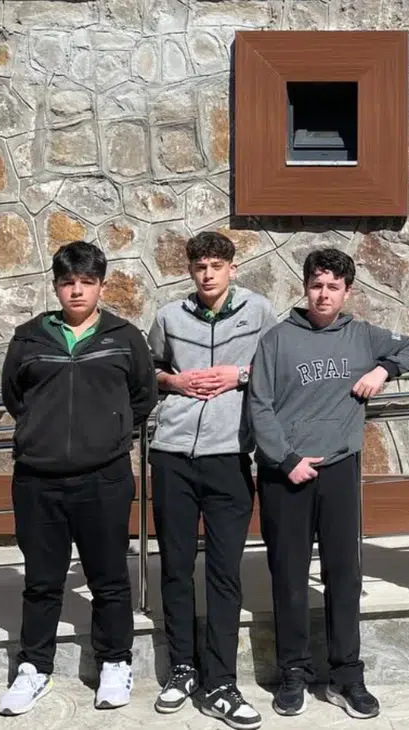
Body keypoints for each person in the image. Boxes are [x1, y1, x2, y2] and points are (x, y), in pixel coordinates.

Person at [246, 248, 409, 720]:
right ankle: (293, 672)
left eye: (333, 286)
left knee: (344, 575)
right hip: (286, 474)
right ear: (305, 288)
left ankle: (346, 675)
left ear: (347, 292)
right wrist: (286, 459)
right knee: (289, 576)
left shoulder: (362, 336)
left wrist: (383, 369)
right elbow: (259, 405)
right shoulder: (276, 340)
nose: (323, 294)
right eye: (316, 285)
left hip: (339, 470)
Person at [0, 241, 157, 716]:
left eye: (87, 282)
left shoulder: (124, 337)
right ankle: (34, 668)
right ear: (55, 286)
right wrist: (43, 434)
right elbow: (14, 396)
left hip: (103, 478)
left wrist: (106, 434)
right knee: (42, 581)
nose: (77, 291)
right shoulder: (29, 338)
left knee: (109, 578)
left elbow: (143, 396)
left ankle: (115, 663)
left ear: (101, 286)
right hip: (37, 480)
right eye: (68, 282)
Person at [145, 231, 277, 728]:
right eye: (200, 266)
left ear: (231, 269)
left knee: (224, 573)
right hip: (173, 454)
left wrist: (238, 376)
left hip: (229, 457)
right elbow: (150, 369)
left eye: (216, 265)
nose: (207, 274)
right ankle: (182, 667)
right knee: (176, 567)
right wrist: (173, 380)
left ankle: (221, 681)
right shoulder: (169, 316)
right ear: (190, 270)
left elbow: (276, 364)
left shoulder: (259, 311)